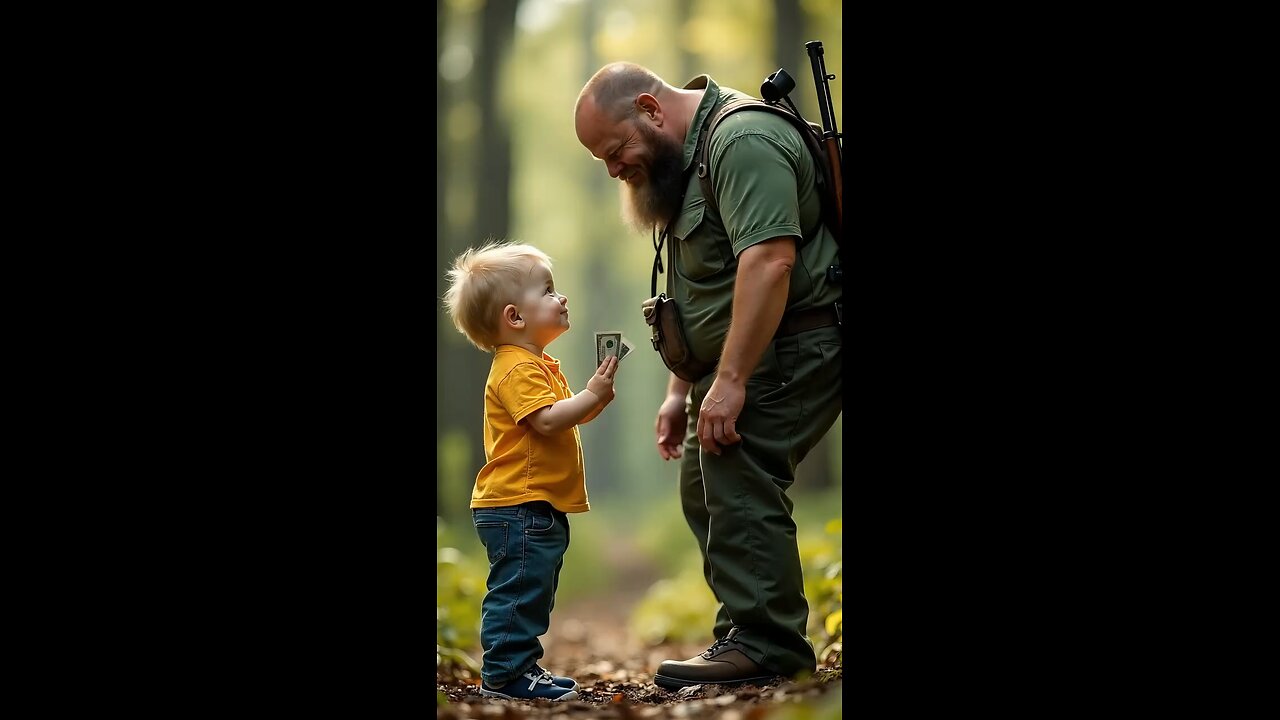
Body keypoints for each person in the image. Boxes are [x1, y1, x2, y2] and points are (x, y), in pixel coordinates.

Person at [574, 63, 842, 689]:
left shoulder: (741, 142)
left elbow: (770, 262)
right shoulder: (685, 164)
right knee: (702, 477)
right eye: (602, 162)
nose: (615, 169)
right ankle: (744, 630)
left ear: (651, 108)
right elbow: (706, 289)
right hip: (748, 353)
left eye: (617, 150)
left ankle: (769, 646)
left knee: (737, 462)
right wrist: (680, 389)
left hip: (799, 340)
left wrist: (731, 381)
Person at [442, 240, 623, 701]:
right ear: (514, 317)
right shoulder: (514, 369)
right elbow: (545, 421)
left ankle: (521, 666)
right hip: (517, 503)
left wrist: (592, 400)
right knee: (519, 589)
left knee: (532, 588)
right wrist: (591, 394)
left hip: (532, 503)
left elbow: (564, 415)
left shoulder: (535, 364)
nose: (560, 298)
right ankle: (504, 674)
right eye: (548, 291)